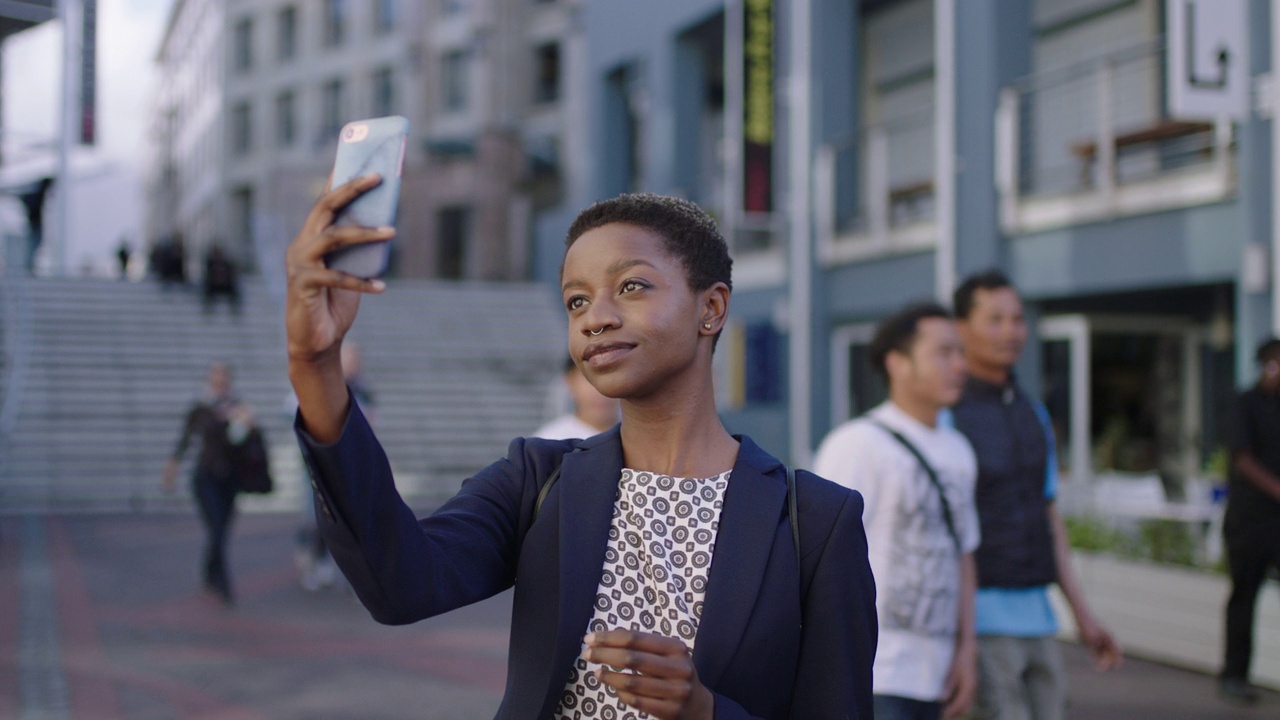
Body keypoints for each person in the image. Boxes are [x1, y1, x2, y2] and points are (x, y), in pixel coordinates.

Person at [285, 180, 877, 719]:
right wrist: (316, 366)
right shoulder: (537, 481)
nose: (596, 318)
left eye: (632, 286)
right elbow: (400, 584)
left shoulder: (814, 522)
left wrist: (706, 712)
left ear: (711, 307)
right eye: (576, 301)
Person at [950, 270, 1121, 720]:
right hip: (980, 626)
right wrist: (960, 637)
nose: (1011, 331)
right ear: (962, 327)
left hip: (1041, 620)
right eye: (996, 319)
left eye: (1018, 319)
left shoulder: (1033, 413)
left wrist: (1082, 616)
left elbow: (1050, 518)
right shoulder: (948, 417)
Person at [814, 303, 979, 720]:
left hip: (938, 674)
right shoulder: (857, 444)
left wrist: (967, 652)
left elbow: (964, 555)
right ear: (898, 364)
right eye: (944, 353)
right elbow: (819, 560)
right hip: (877, 672)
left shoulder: (959, 449)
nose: (960, 365)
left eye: (960, 353)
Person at [1218, 337, 1280, 706]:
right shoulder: (1245, 404)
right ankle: (1233, 675)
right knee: (1244, 598)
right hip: (1249, 522)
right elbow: (1242, 459)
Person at [163, 362, 256, 606]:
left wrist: (246, 424)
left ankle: (209, 572)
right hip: (206, 477)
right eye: (216, 376)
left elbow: (243, 441)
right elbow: (185, 438)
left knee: (222, 531)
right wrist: (173, 465)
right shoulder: (201, 407)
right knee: (216, 529)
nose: (220, 380)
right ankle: (224, 584)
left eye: (224, 376)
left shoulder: (237, 407)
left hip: (230, 479)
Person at [534, 356, 620, 440]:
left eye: (610, 376)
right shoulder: (551, 441)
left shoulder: (631, 438)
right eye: (589, 378)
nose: (600, 390)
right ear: (570, 381)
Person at [203, 243, 241, 314]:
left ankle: (235, 311)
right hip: (215, 286)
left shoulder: (227, 264)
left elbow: (231, 276)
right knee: (207, 289)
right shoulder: (210, 264)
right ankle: (208, 310)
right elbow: (208, 277)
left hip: (224, 285)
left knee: (234, 290)